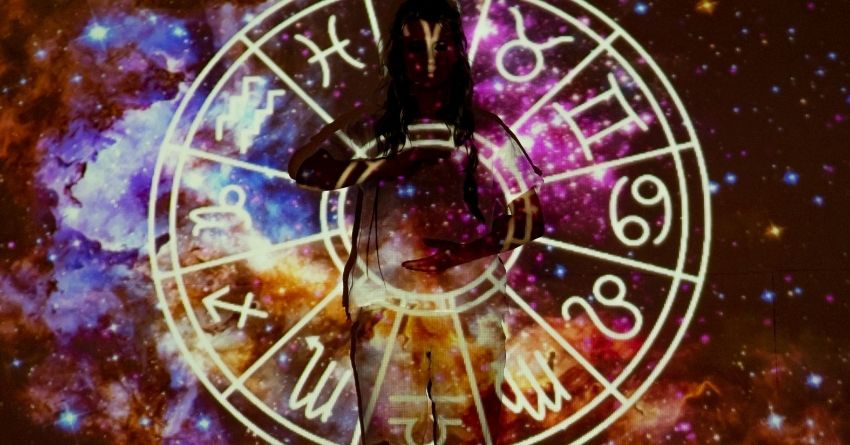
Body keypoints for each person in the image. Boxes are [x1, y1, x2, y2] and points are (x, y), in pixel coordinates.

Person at [288, 1, 544, 443]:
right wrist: (386, 167)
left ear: (458, 53)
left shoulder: (486, 132)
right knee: (389, 437)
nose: (428, 60)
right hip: (385, 308)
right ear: (398, 55)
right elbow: (307, 168)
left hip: (470, 310)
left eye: (441, 46)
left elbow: (530, 219)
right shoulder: (371, 129)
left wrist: (464, 254)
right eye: (414, 47)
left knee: (469, 437)